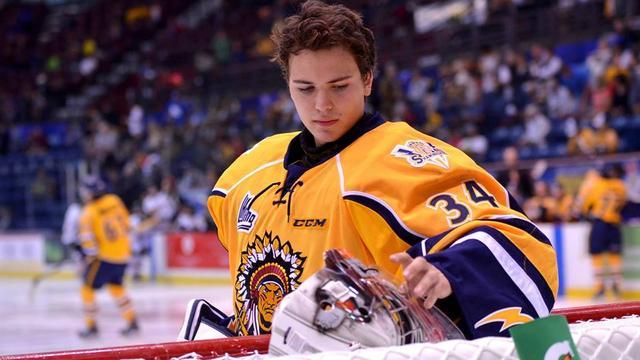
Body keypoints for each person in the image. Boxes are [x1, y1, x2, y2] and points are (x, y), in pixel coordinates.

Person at [206, 0, 557, 340]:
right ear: (288, 86)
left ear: (368, 80)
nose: (322, 104)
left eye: (339, 86)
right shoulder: (246, 175)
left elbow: (521, 244)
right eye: (305, 88)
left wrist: (450, 271)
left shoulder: (400, 159)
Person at [77, 176, 139, 338]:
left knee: (87, 288)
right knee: (116, 286)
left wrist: (89, 255)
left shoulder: (88, 211)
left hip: (104, 258)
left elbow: (87, 238)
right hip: (123, 254)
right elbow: (127, 224)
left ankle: (91, 326)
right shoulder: (115, 200)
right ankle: (132, 321)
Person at [581, 164, 627, 298]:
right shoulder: (621, 185)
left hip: (600, 223)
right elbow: (623, 204)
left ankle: (599, 286)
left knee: (597, 254)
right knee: (615, 254)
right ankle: (617, 286)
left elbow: (585, 206)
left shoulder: (595, 184)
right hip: (614, 223)